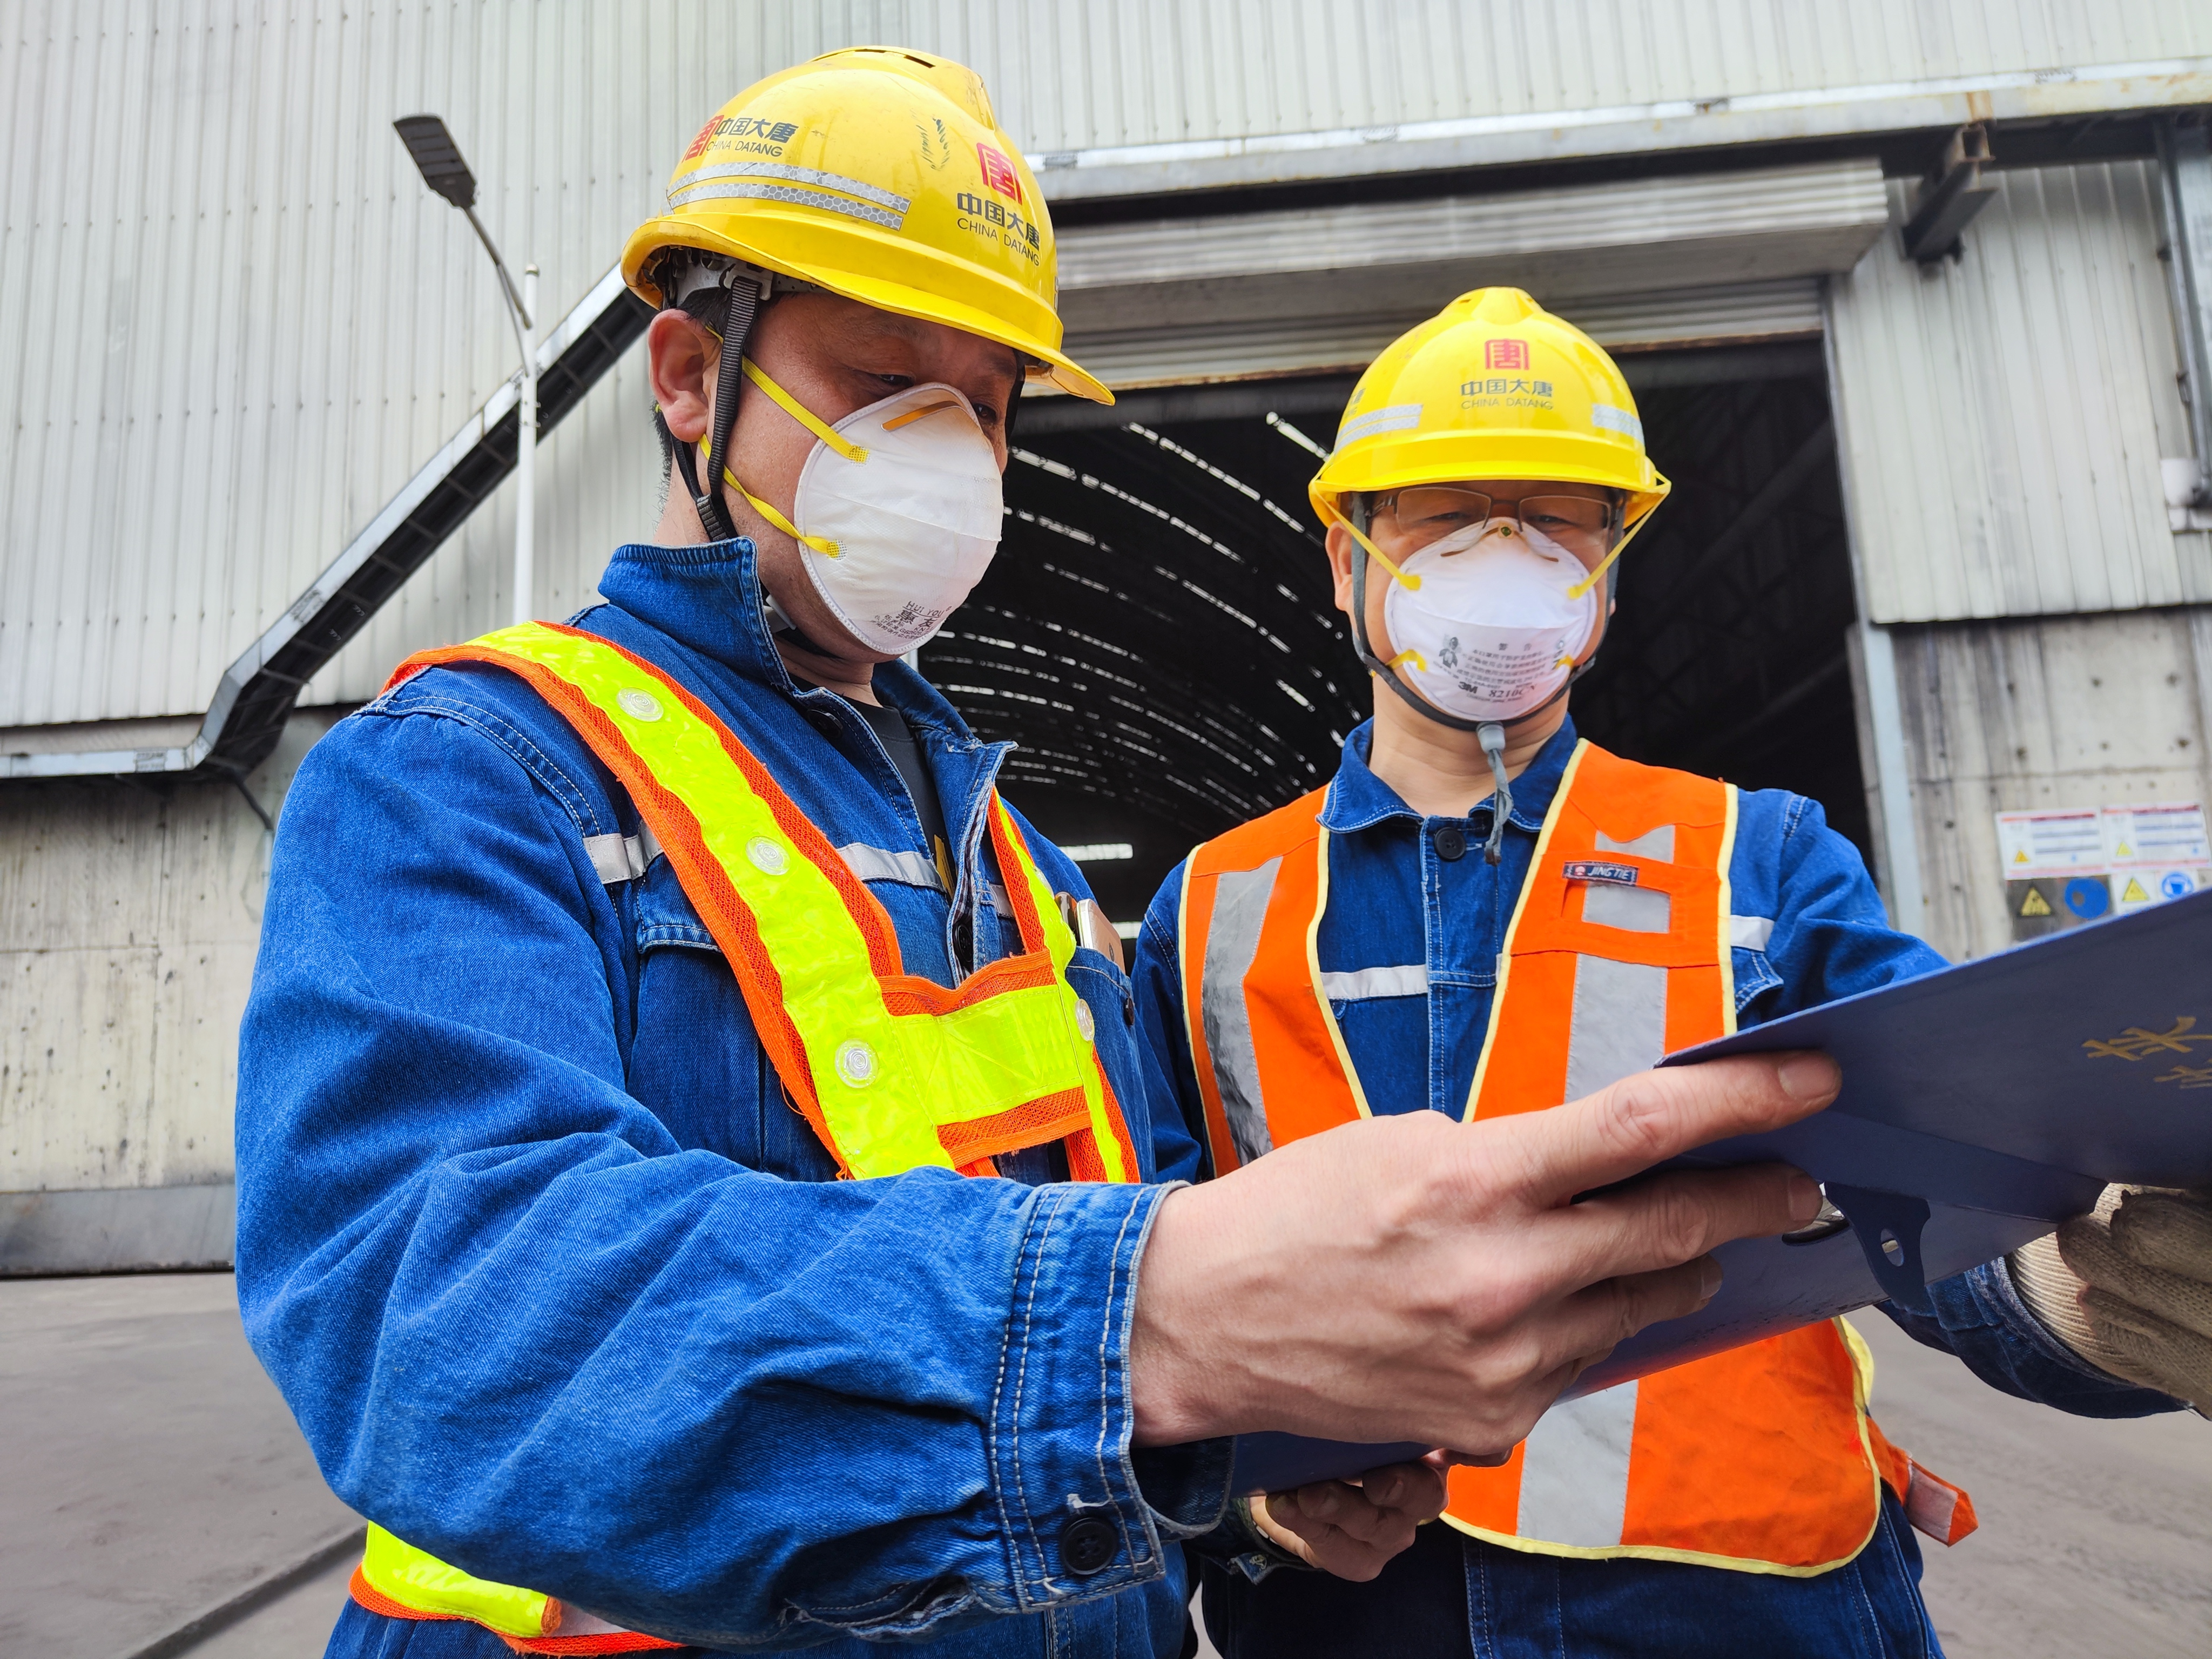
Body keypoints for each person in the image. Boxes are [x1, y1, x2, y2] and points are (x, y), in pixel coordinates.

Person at [235, 58, 1843, 1659]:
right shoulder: (474, 774)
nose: (945, 455)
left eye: (986, 407)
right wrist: (1142, 1321)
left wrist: (1241, 1475)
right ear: (684, 378)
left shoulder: (1025, 870)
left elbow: (1129, 1365)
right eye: (881, 389)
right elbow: (433, 1313)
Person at [1131, 287, 2212, 1658]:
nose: (1502, 550)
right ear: (1345, 555)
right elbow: (1144, 1276)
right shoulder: (1208, 906)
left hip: (1745, 1594)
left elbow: (1950, 1176)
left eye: (1556, 514)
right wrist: (1241, 1512)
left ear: (1609, 562)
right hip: (1358, 1605)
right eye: (1442, 511)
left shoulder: (1755, 859)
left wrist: (2081, 1298)